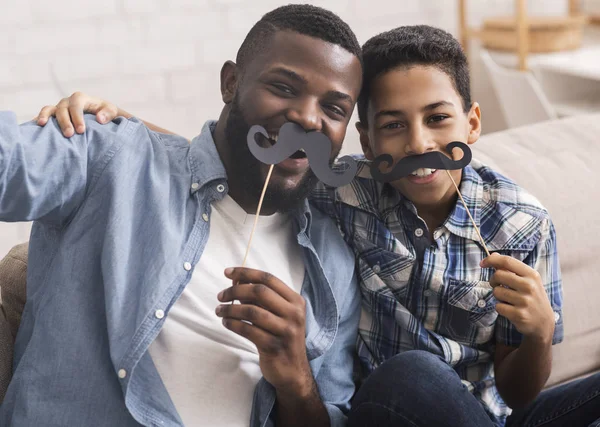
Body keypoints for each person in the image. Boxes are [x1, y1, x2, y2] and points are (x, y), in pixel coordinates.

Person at [44, 24, 600, 427]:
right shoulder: (349, 187)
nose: (420, 145)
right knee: (415, 372)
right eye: (392, 125)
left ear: (473, 122)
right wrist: (117, 119)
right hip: (391, 406)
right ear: (366, 140)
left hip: (484, 416)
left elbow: (519, 391)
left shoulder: (522, 222)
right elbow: (241, 149)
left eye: (437, 118)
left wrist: (536, 329)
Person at [0, 5, 364, 426]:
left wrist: (297, 380)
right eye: (284, 87)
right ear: (231, 82)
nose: (307, 117)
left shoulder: (334, 263)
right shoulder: (110, 158)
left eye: (334, 109)